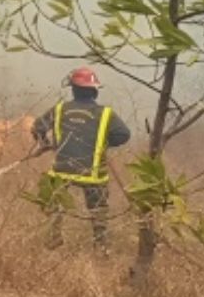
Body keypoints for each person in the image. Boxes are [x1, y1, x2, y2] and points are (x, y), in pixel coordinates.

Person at [30, 67, 131, 252]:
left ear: (73, 89)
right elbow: (124, 134)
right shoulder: (106, 113)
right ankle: (101, 246)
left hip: (62, 171)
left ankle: (53, 240)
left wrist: (44, 143)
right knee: (98, 211)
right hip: (92, 174)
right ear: (94, 90)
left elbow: (37, 127)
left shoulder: (60, 109)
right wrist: (103, 144)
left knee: (55, 204)